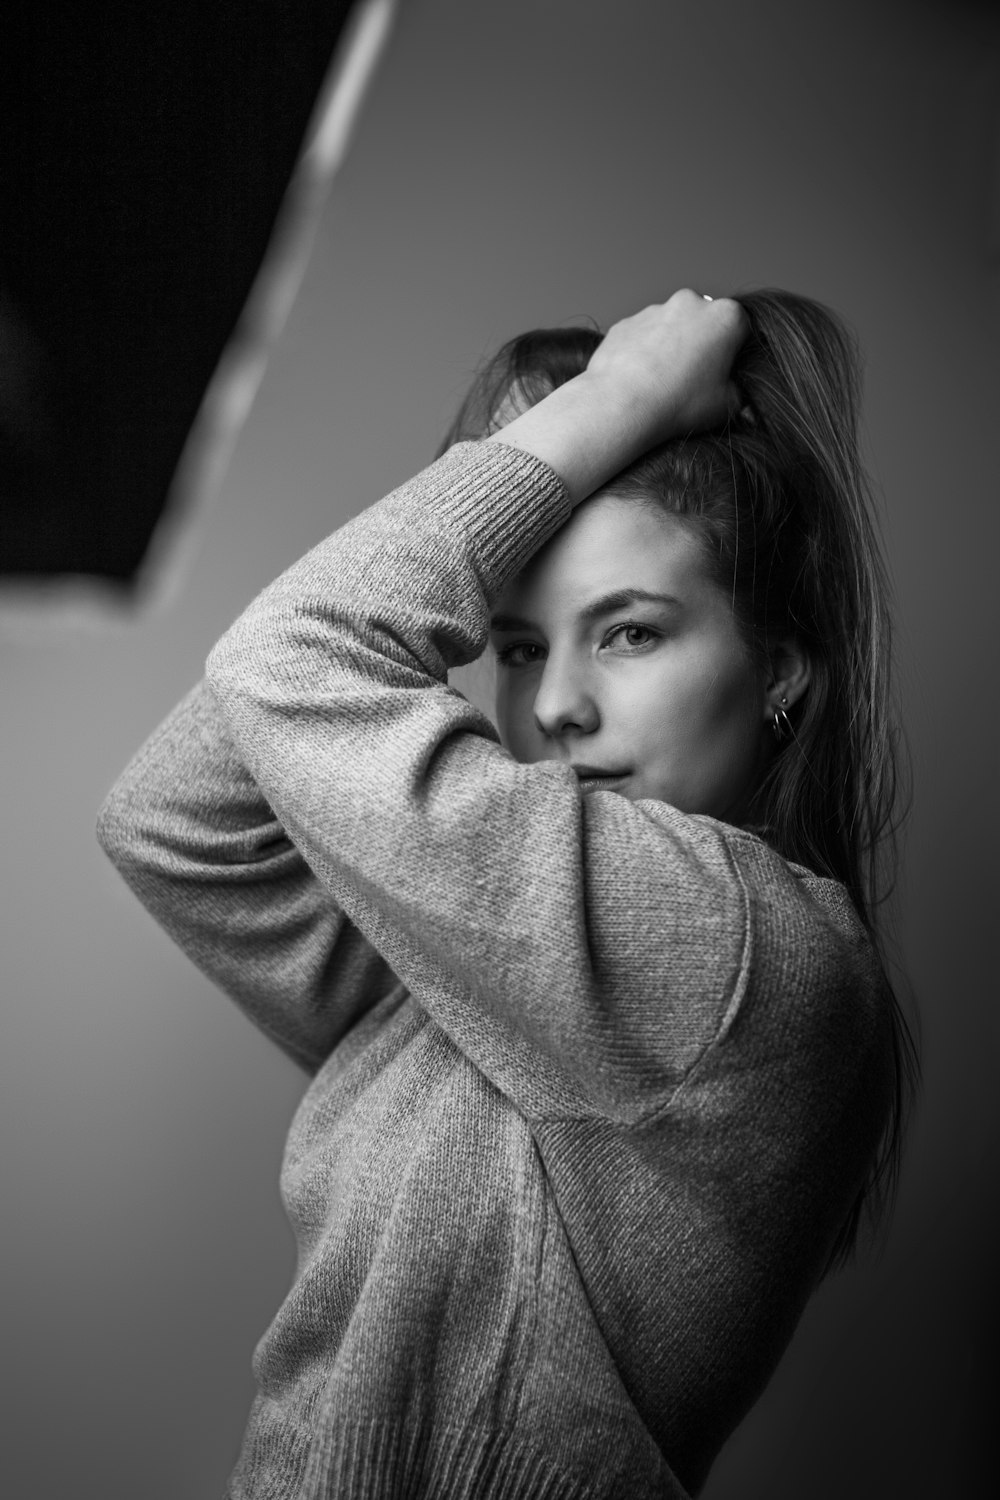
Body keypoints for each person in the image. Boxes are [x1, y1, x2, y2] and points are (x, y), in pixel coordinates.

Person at [97, 289, 915, 1499]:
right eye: (521, 647)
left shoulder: (748, 957)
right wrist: (562, 438)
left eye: (631, 633)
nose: (553, 707)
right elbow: (175, 819)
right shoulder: (491, 934)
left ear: (780, 671)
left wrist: (612, 405)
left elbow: (291, 662)